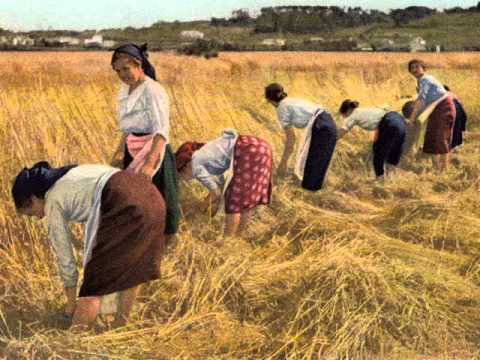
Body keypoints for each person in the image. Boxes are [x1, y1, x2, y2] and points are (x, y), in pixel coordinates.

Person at [11, 162, 165, 328]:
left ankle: (74, 340)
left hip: (121, 200)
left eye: (32, 213)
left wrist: (70, 306)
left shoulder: (52, 201)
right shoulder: (73, 174)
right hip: (152, 198)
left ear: (34, 198)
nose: (38, 217)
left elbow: (65, 258)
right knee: (132, 270)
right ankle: (120, 327)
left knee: (94, 284)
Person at [109, 43, 179, 242]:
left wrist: (149, 164)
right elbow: (127, 127)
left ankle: (168, 244)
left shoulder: (154, 90)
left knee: (162, 198)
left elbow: (161, 131)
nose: (123, 74)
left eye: (126, 68)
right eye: (118, 71)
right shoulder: (125, 90)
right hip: (133, 148)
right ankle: (143, 239)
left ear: (138, 64)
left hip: (154, 150)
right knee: (136, 199)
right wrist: (119, 152)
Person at [175, 129, 273, 237]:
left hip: (248, 151)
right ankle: (238, 236)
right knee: (247, 200)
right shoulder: (207, 154)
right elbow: (219, 187)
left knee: (234, 201)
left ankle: (228, 240)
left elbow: (216, 193)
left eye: (182, 174)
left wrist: (199, 209)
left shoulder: (195, 164)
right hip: (261, 147)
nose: (184, 179)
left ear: (185, 165)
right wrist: (210, 205)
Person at [265, 83, 337, 191]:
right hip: (328, 121)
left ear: (270, 100)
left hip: (321, 127)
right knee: (317, 165)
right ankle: (319, 192)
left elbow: (291, 139)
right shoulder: (291, 101)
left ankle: (309, 197)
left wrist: (283, 163)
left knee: (311, 175)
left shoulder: (281, 108)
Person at [406, 59, 456, 171]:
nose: (414, 70)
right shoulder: (420, 82)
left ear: (423, 68)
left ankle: (444, 169)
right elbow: (422, 101)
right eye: (412, 68)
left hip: (444, 108)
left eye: (417, 67)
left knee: (441, 137)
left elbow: (421, 100)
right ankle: (437, 167)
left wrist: (412, 119)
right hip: (435, 109)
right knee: (431, 137)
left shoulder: (425, 79)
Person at [337, 99, 407, 179]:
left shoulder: (352, 115)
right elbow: (380, 124)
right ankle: (391, 181)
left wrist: (331, 140)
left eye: (344, 115)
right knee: (394, 152)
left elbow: (342, 131)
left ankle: (380, 182)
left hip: (389, 123)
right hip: (400, 121)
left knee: (378, 154)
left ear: (348, 110)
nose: (344, 118)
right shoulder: (365, 110)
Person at [444, 85, 467, 151]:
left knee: (451, 129)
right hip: (460, 111)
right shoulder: (453, 95)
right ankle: (456, 145)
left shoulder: (443, 94)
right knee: (458, 129)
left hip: (452, 109)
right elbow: (462, 106)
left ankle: (451, 146)